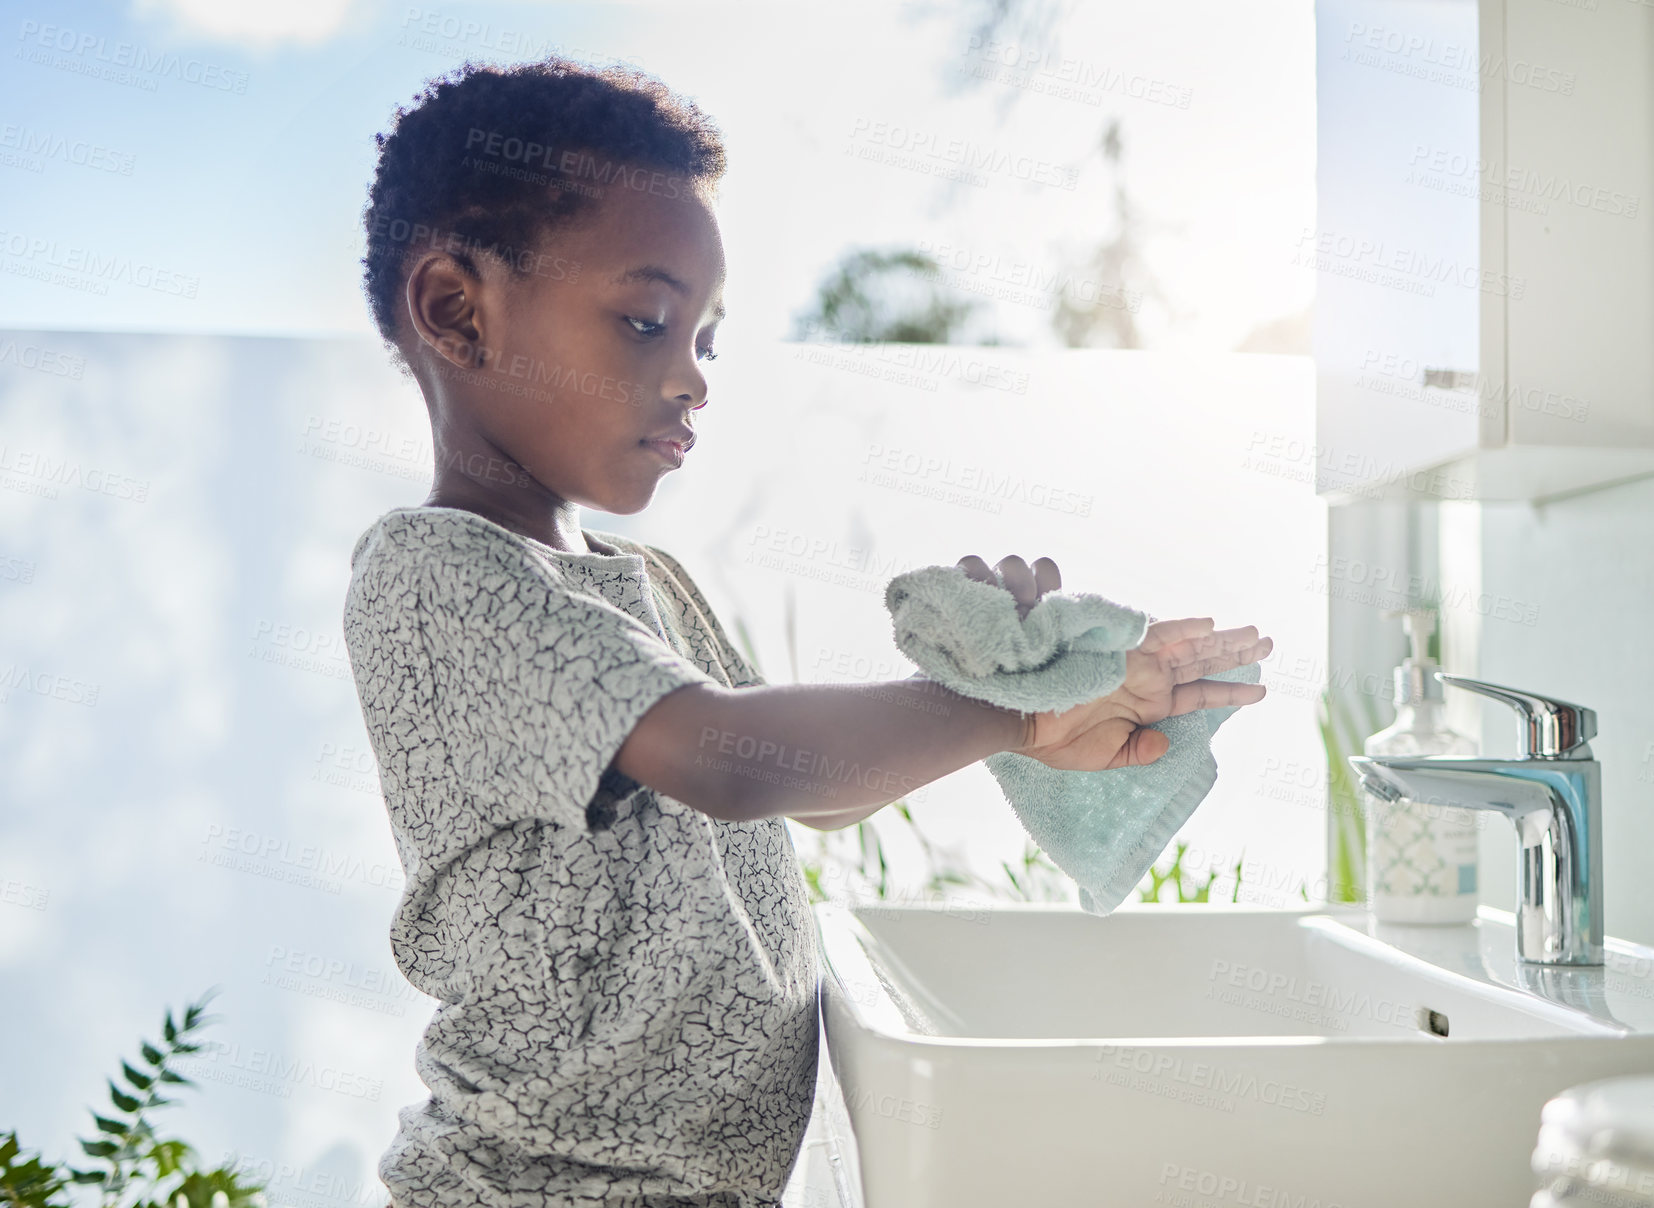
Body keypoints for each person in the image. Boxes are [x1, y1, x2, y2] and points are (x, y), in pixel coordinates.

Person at [343, 56, 1272, 1208]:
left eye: (706, 340)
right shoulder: (437, 571)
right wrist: (1005, 706)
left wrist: (1010, 709)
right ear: (454, 309)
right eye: (645, 320)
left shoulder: (647, 582)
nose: (691, 376)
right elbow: (727, 759)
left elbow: (805, 788)